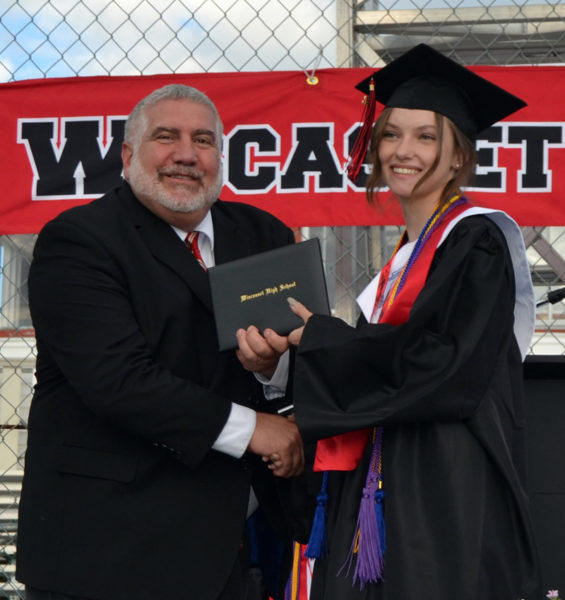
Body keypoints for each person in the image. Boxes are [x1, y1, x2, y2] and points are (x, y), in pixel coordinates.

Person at [16, 83, 306, 600]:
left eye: (203, 140)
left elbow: (305, 360)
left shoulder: (267, 236)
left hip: (236, 551)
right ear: (128, 155)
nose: (186, 155)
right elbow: (117, 381)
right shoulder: (80, 240)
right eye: (165, 137)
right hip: (108, 553)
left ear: (221, 155)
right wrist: (254, 430)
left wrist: (272, 370)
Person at [283, 44, 541, 599]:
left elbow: (447, 366)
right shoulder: (403, 260)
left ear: (457, 158)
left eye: (427, 136)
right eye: (393, 134)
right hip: (386, 482)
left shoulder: (479, 241)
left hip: (442, 489)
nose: (404, 150)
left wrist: (326, 339)